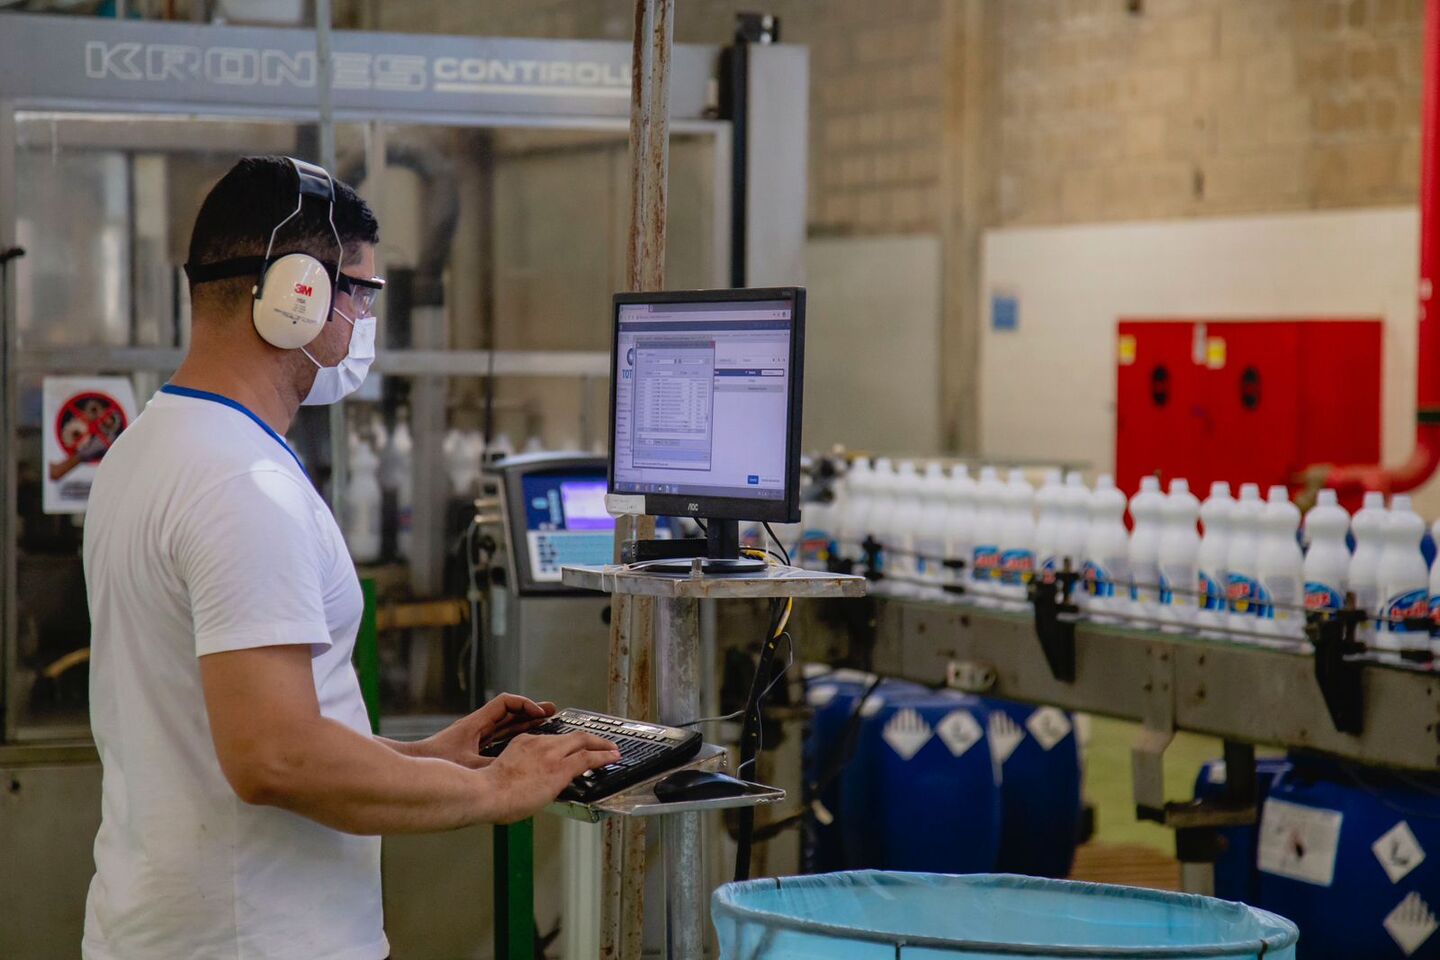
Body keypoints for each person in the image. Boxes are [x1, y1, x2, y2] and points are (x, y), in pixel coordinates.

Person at [80, 156, 619, 960]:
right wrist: (496, 788)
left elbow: (239, 727)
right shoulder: (242, 484)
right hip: (254, 942)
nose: (366, 318)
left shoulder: (152, 446)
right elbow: (276, 757)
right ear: (299, 294)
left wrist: (424, 758)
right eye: (361, 293)